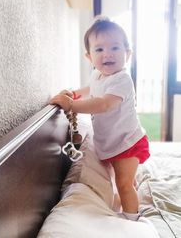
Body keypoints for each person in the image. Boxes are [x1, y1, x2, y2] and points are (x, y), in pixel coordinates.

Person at [50, 17, 150, 222]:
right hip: (111, 143)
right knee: (120, 180)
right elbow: (91, 90)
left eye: (115, 47)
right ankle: (130, 193)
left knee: (123, 184)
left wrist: (72, 106)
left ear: (127, 54)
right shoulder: (98, 75)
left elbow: (103, 104)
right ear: (89, 56)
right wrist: (73, 94)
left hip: (127, 142)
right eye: (99, 49)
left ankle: (132, 220)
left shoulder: (122, 79)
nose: (107, 54)